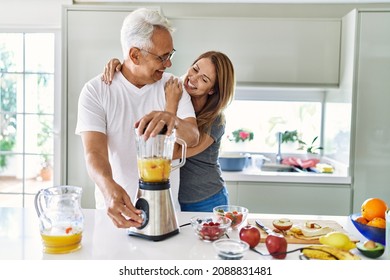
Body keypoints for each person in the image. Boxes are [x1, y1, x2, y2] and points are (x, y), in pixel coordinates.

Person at [75, 8, 199, 229]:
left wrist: (171, 118)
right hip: (113, 215)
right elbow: (94, 152)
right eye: (162, 57)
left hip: (166, 214)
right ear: (135, 55)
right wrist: (107, 186)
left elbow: (192, 137)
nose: (169, 64)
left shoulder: (173, 86)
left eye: (171, 54)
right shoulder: (96, 91)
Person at [103, 50, 235, 212]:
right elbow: (146, 70)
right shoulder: (174, 87)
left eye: (204, 79)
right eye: (195, 69)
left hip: (206, 198)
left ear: (212, 90)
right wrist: (122, 67)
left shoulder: (215, 121)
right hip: (175, 196)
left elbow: (170, 152)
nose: (193, 78)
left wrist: (171, 107)